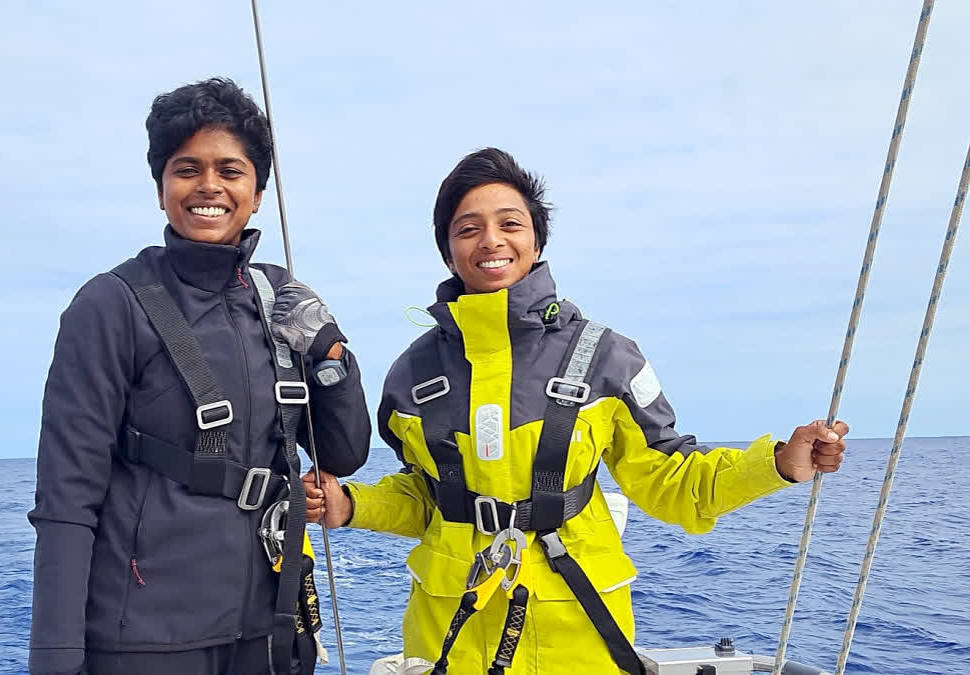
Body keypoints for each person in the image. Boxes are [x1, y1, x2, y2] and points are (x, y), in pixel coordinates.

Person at [306, 148, 848, 675]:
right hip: (450, 633)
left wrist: (779, 464)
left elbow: (672, 481)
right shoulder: (411, 374)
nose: (491, 240)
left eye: (509, 224)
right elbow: (428, 499)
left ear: (536, 239)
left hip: (580, 634)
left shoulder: (607, 357)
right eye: (468, 228)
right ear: (448, 251)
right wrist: (351, 504)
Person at [27, 77, 371, 675]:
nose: (209, 186)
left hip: (271, 628)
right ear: (162, 187)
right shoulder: (110, 306)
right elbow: (66, 500)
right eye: (187, 168)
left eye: (230, 171)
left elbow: (344, 451)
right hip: (149, 638)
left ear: (258, 192)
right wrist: (55, 662)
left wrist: (330, 353)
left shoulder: (279, 299)